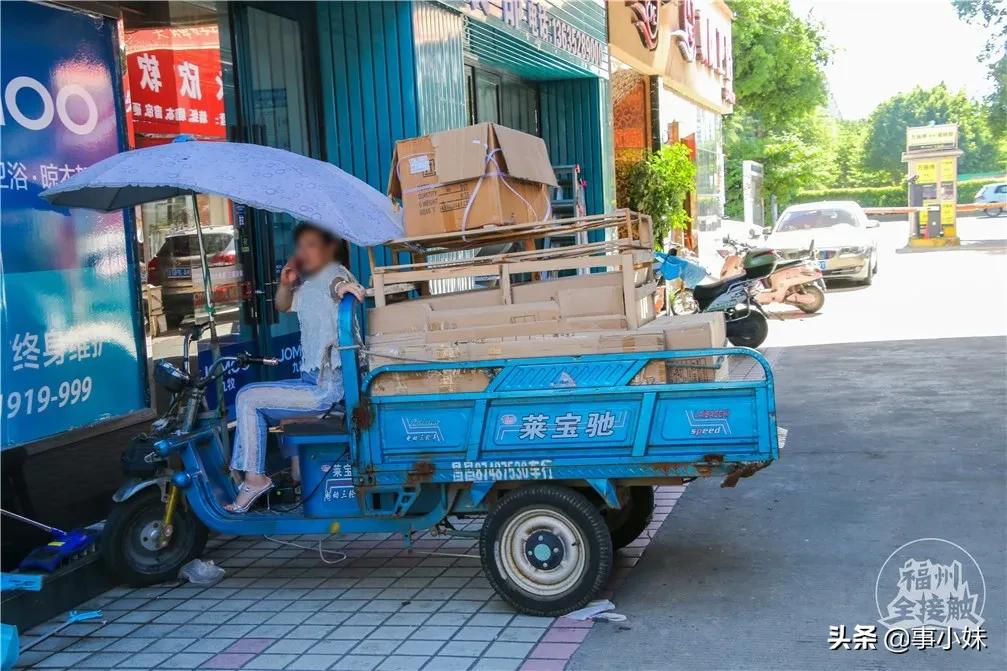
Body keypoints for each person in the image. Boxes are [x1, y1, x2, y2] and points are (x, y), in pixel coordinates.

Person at [225, 223, 364, 513]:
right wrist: (285, 283)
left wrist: (344, 288)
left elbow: (337, 285)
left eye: (311, 245)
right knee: (252, 399)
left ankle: (253, 479)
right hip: (314, 382)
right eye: (301, 246)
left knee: (248, 398)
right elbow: (282, 305)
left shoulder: (333, 272)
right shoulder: (310, 282)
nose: (303, 252)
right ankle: (264, 474)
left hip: (326, 390)